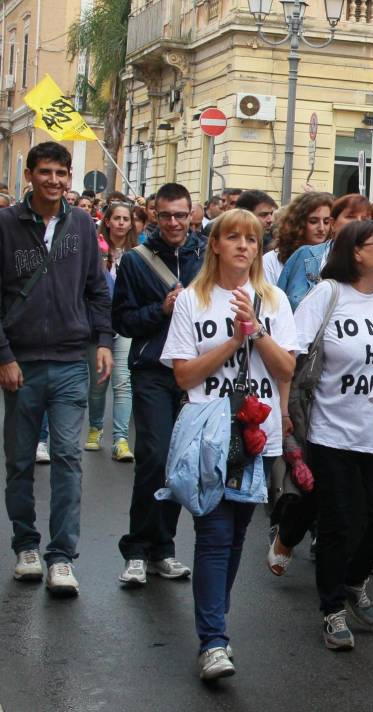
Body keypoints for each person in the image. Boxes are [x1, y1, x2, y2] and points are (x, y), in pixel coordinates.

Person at [160, 207, 297, 680]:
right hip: (209, 430)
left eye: (252, 239)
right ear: (214, 244)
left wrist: (256, 329)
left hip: (255, 431)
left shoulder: (274, 299)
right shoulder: (192, 300)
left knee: (237, 533)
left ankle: (215, 625)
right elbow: (183, 374)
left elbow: (286, 371)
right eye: (232, 237)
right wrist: (230, 342)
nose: (243, 245)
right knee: (215, 535)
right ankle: (213, 641)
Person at [1, 142, 113, 596]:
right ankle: (26, 546)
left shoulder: (82, 224)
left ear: (70, 177)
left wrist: (103, 340)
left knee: (68, 459)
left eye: (61, 173)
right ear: (29, 175)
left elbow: (97, 289)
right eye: (44, 172)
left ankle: (62, 556)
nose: (54, 180)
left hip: (70, 361)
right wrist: (4, 355)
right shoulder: (6, 225)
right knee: (20, 462)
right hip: (21, 363)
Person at [291, 219, 373, 651]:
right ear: (355, 251)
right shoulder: (328, 295)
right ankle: (332, 608)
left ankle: (354, 581)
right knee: (337, 525)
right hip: (330, 431)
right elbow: (294, 351)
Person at [111, 182, 205, 586]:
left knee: (180, 462)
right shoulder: (136, 261)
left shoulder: (206, 254)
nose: (173, 223)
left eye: (180, 215)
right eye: (165, 215)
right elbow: (124, 321)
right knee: (154, 454)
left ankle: (163, 549)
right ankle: (136, 548)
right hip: (152, 369)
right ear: (153, 215)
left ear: (191, 214)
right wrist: (162, 309)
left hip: (196, 372)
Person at [91, 200, 137, 462]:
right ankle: (95, 427)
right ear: (107, 221)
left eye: (125, 219)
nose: (121, 223)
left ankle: (120, 439)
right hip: (97, 326)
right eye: (116, 218)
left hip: (125, 324)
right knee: (98, 384)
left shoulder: (138, 252)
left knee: (123, 381)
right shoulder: (94, 249)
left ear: (131, 223)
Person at [277, 193, 373, 309]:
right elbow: (281, 305)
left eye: (365, 219)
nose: (358, 223)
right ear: (333, 223)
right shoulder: (307, 255)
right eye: (351, 217)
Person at [270, 192, 334, 287]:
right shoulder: (272, 260)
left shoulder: (334, 259)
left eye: (326, 222)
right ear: (298, 223)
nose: (321, 228)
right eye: (313, 221)